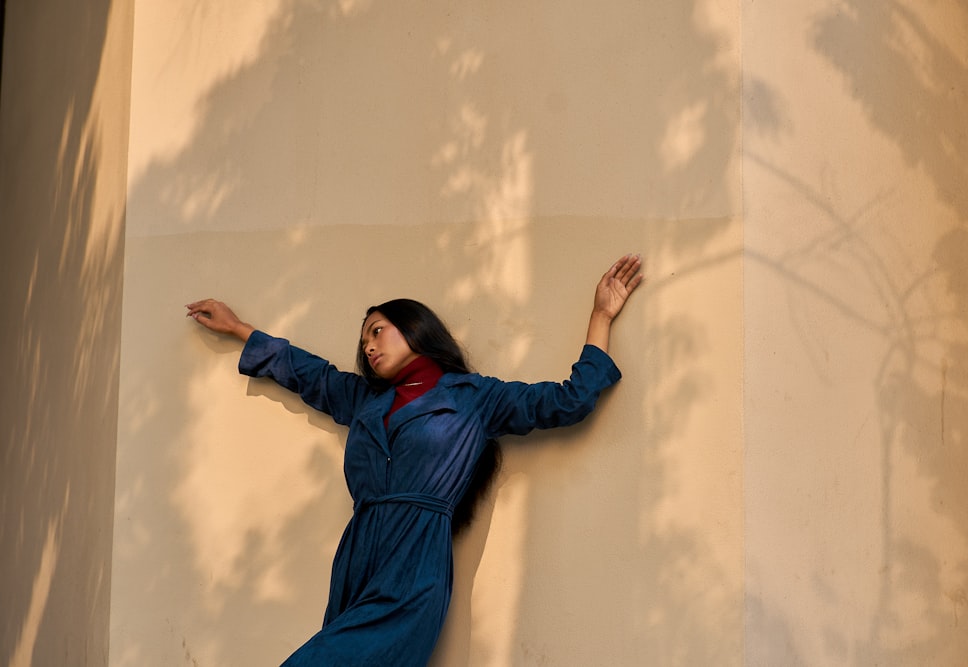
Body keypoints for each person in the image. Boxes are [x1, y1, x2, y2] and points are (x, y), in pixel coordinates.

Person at [185, 253, 643, 666]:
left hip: (415, 563)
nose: (367, 346)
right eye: (364, 339)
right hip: (358, 558)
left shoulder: (474, 398)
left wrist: (600, 316)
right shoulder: (365, 399)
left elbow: (568, 401)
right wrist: (239, 327)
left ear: (416, 328)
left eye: (377, 331)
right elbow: (309, 374)